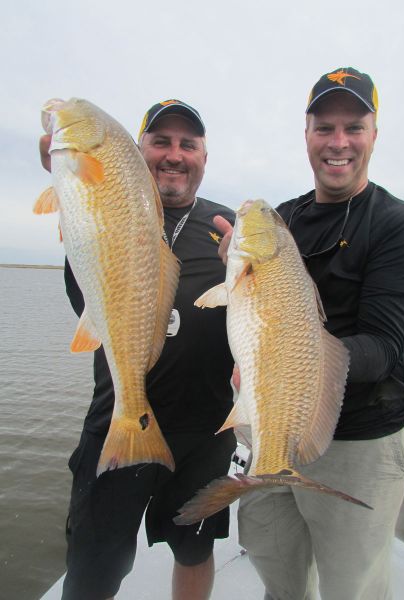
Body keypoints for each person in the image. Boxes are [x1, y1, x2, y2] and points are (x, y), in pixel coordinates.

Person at [214, 67, 404, 600]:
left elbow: (382, 348)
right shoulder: (284, 218)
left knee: (351, 588)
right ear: (307, 135)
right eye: (324, 128)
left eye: (353, 127)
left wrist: (285, 365)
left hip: (361, 443)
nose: (338, 142)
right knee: (277, 574)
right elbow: (249, 316)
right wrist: (235, 275)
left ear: (374, 135)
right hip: (269, 426)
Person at [40, 99, 236, 600]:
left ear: (204, 157)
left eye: (188, 144)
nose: (174, 154)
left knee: (194, 550)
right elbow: (81, 295)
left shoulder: (228, 228)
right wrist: (71, 180)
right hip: (117, 421)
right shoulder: (104, 203)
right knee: (94, 566)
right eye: (160, 141)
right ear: (137, 150)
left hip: (204, 432)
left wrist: (248, 275)